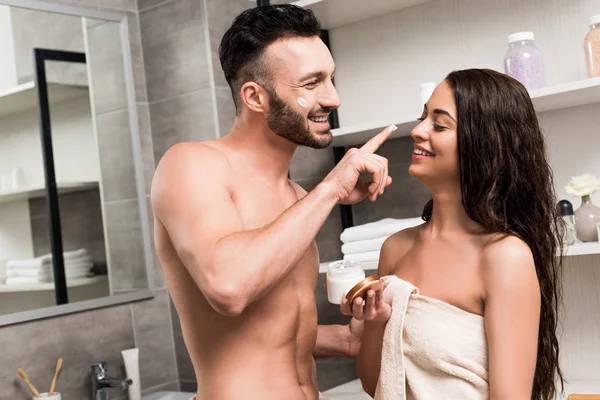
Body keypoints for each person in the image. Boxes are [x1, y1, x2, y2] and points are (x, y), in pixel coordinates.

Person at [151, 4, 395, 400]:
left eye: (331, 78)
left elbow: (265, 330)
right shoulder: (191, 165)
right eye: (311, 83)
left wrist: (345, 340)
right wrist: (331, 189)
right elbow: (229, 288)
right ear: (255, 96)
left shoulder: (297, 197)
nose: (333, 98)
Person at [342, 69, 564, 400]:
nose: (417, 131)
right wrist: (375, 322)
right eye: (422, 118)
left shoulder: (504, 257)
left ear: (484, 143)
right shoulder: (396, 248)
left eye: (439, 124)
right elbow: (375, 381)